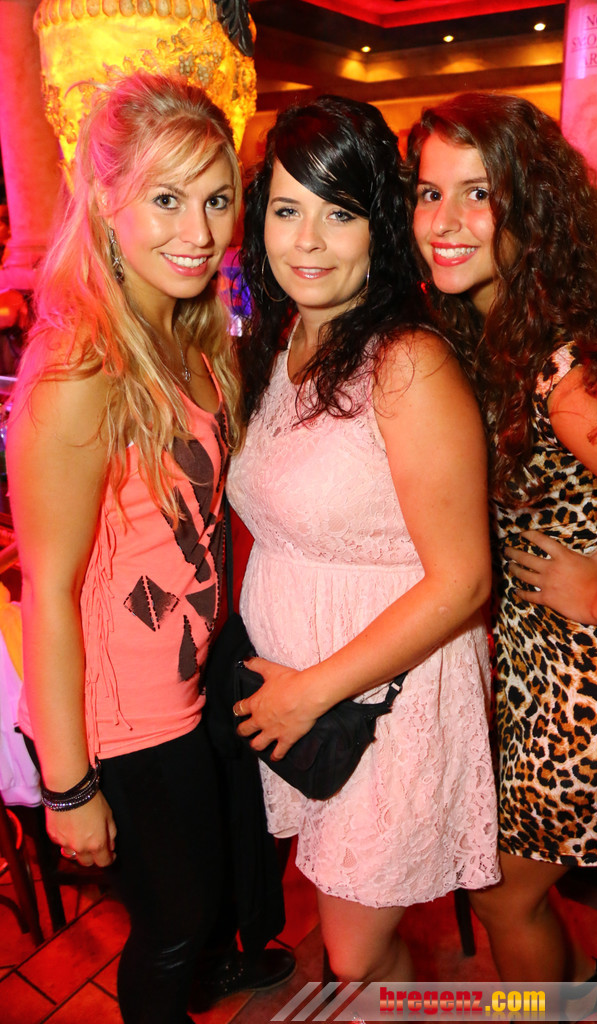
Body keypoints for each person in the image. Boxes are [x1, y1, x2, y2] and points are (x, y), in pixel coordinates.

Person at [6, 71, 292, 1024]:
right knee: (174, 924)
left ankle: (211, 967)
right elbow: (47, 591)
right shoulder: (79, 367)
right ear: (105, 203)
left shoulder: (191, 333)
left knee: (207, 894)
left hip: (190, 676)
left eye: (216, 199)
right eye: (166, 200)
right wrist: (68, 786)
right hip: (125, 717)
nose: (199, 232)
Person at [407, 91, 597, 986]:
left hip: (592, 686)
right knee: (504, 888)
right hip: (543, 670)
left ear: (529, 208)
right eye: (428, 193)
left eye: (476, 194)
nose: (442, 222)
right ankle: (587, 993)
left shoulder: (564, 375)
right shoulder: (493, 328)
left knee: (500, 896)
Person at [228, 94, 500, 983]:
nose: (307, 241)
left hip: (383, 700)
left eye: (338, 214)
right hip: (305, 697)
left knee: (351, 952)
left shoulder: (406, 361)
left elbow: (463, 581)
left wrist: (309, 694)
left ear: (377, 225)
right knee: (351, 941)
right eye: (286, 209)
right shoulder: (285, 342)